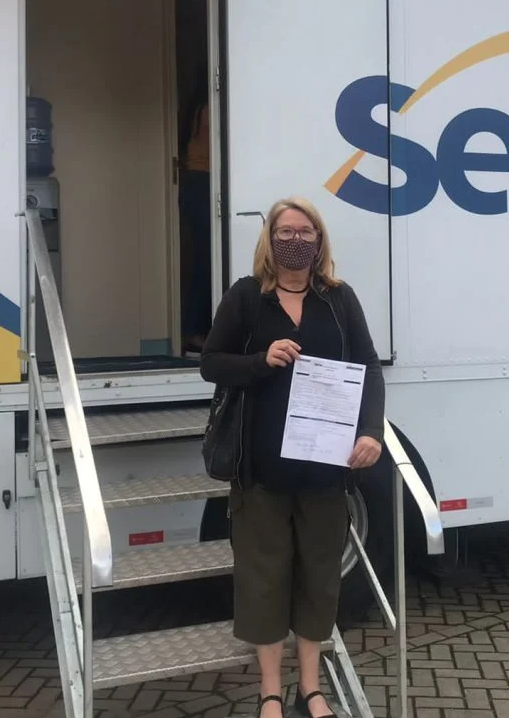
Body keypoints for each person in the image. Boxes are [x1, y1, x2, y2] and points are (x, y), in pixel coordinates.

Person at [200, 197, 385, 718]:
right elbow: (211, 364)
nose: (296, 240)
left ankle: (310, 687)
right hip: (260, 471)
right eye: (285, 231)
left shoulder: (339, 298)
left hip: (325, 470)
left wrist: (371, 431)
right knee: (263, 581)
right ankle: (269, 691)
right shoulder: (246, 297)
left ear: (319, 240)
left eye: (306, 232)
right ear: (270, 238)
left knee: (318, 580)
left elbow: (369, 365)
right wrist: (261, 360)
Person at [179, 86, 211, 354]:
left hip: (194, 184)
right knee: (205, 262)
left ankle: (196, 331)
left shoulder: (195, 108)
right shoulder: (209, 110)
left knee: (202, 261)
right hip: (203, 183)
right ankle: (197, 332)